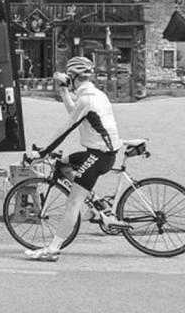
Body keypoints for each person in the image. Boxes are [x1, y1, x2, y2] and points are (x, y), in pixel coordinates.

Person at [24, 55, 123, 262]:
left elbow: (66, 127)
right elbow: (75, 112)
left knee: (72, 203)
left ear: (72, 77)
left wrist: (41, 153)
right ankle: (98, 205)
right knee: (63, 163)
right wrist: (63, 92)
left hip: (98, 156)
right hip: (100, 152)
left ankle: (53, 249)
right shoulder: (96, 94)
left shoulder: (87, 99)